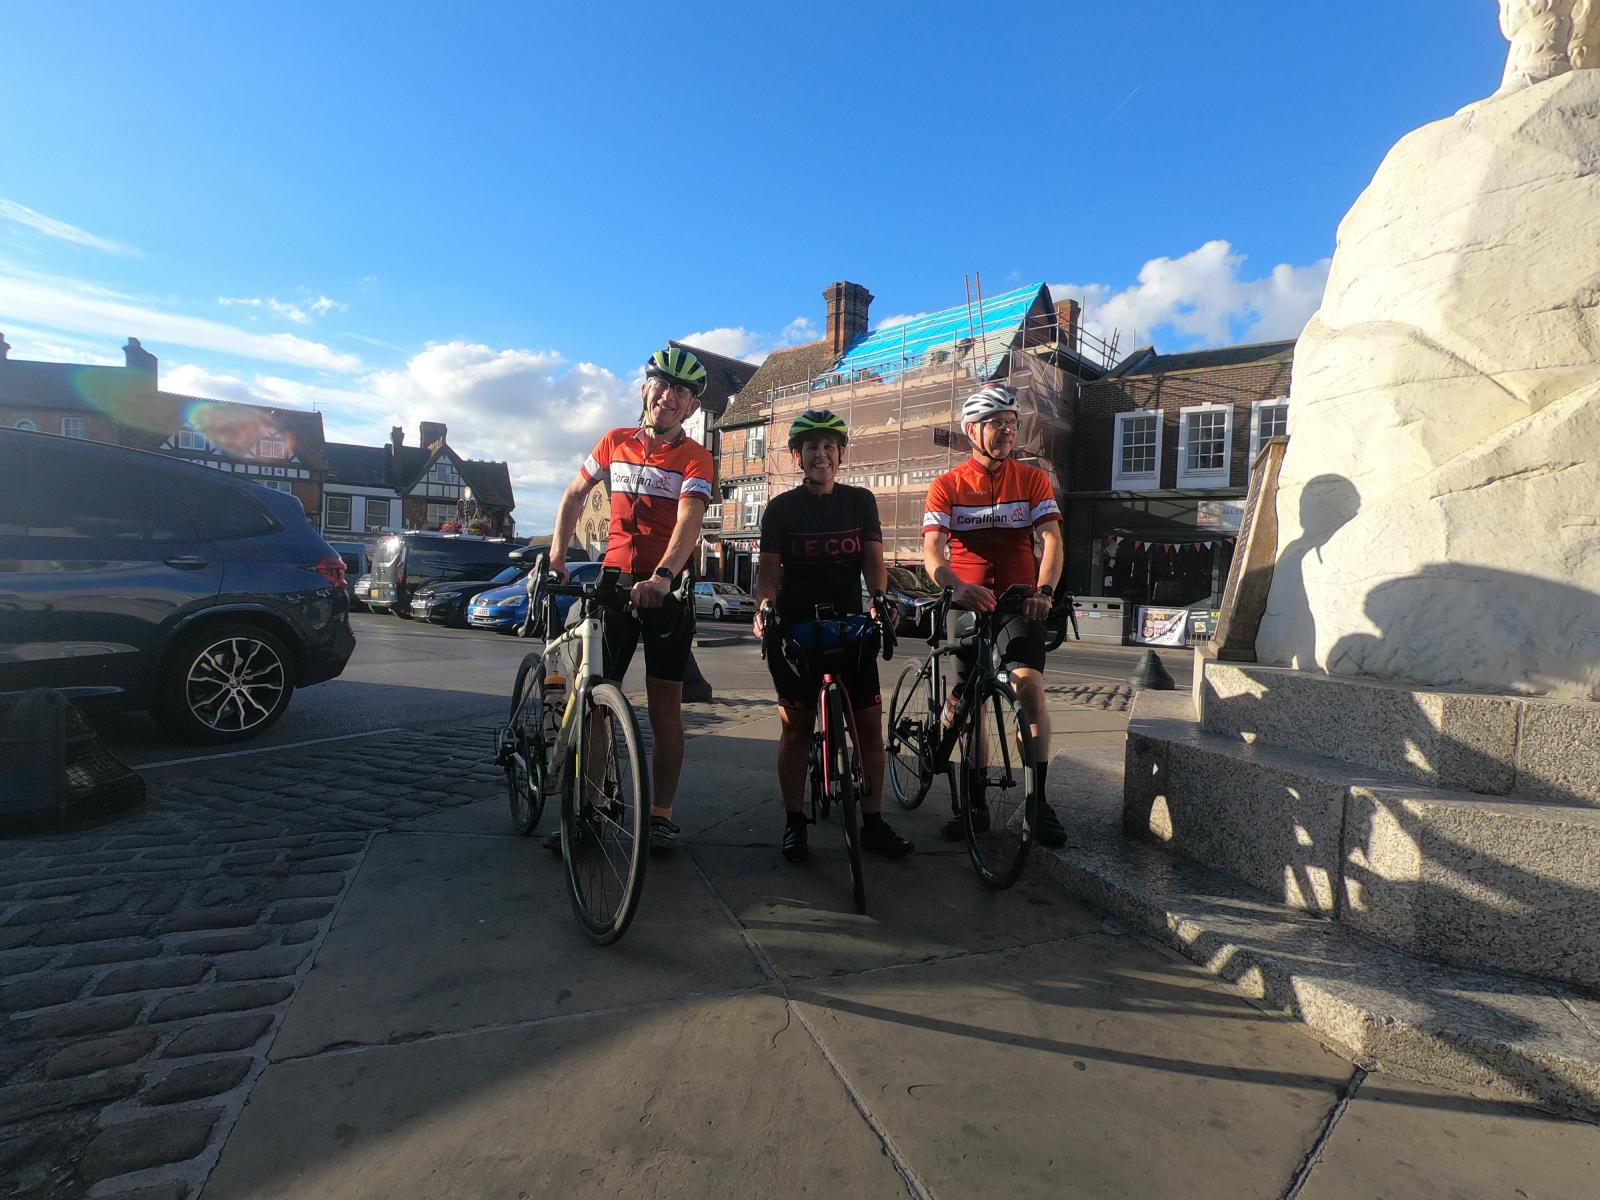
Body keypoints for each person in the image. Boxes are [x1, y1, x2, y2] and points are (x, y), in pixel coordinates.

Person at [546, 346, 713, 855]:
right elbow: (575, 494)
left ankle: (660, 815)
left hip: (663, 589)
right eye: (662, 385)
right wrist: (557, 557)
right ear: (645, 389)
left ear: (691, 406)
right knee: (597, 701)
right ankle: (592, 806)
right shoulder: (614, 441)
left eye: (681, 392)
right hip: (613, 583)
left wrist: (663, 575)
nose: (669, 396)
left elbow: (689, 520)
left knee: (665, 707)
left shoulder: (695, 457)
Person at [753, 409, 914, 864]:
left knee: (869, 729)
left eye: (829, 446)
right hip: (796, 629)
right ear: (797, 456)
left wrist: (880, 600)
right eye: (811, 447)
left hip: (849, 625)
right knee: (795, 730)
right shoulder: (781, 509)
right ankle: (794, 821)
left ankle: (874, 822)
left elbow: (874, 565)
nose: (820, 454)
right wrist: (764, 608)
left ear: (841, 453)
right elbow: (768, 576)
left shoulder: (860, 502)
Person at [922, 384, 1067, 847]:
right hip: (966, 600)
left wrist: (1045, 592)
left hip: (1019, 601)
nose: (1007, 431)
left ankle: (1038, 802)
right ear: (972, 431)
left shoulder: (1031, 479)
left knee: (1029, 688)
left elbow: (1051, 540)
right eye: (996, 423)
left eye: (1012, 423)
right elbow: (932, 551)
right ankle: (974, 804)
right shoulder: (947, 485)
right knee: (971, 704)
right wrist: (955, 586)